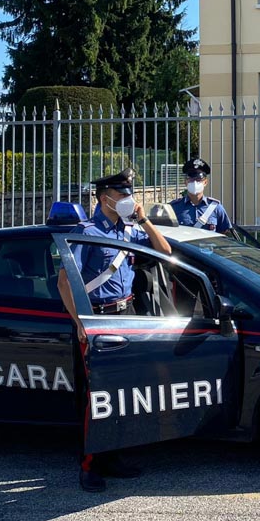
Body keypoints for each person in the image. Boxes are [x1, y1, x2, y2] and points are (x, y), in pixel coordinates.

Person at [67, 167, 172, 492]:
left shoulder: (127, 231)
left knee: (121, 396)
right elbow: (64, 282)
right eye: (123, 195)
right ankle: (89, 466)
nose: (129, 199)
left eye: (130, 194)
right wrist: (80, 322)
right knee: (96, 398)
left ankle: (114, 457)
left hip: (125, 315)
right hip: (97, 320)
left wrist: (143, 219)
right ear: (105, 198)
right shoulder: (86, 231)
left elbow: (165, 251)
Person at [170, 157, 233, 235]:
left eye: (199, 179)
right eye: (191, 178)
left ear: (205, 182)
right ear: (185, 182)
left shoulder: (216, 208)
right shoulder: (174, 208)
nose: (195, 182)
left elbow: (224, 235)